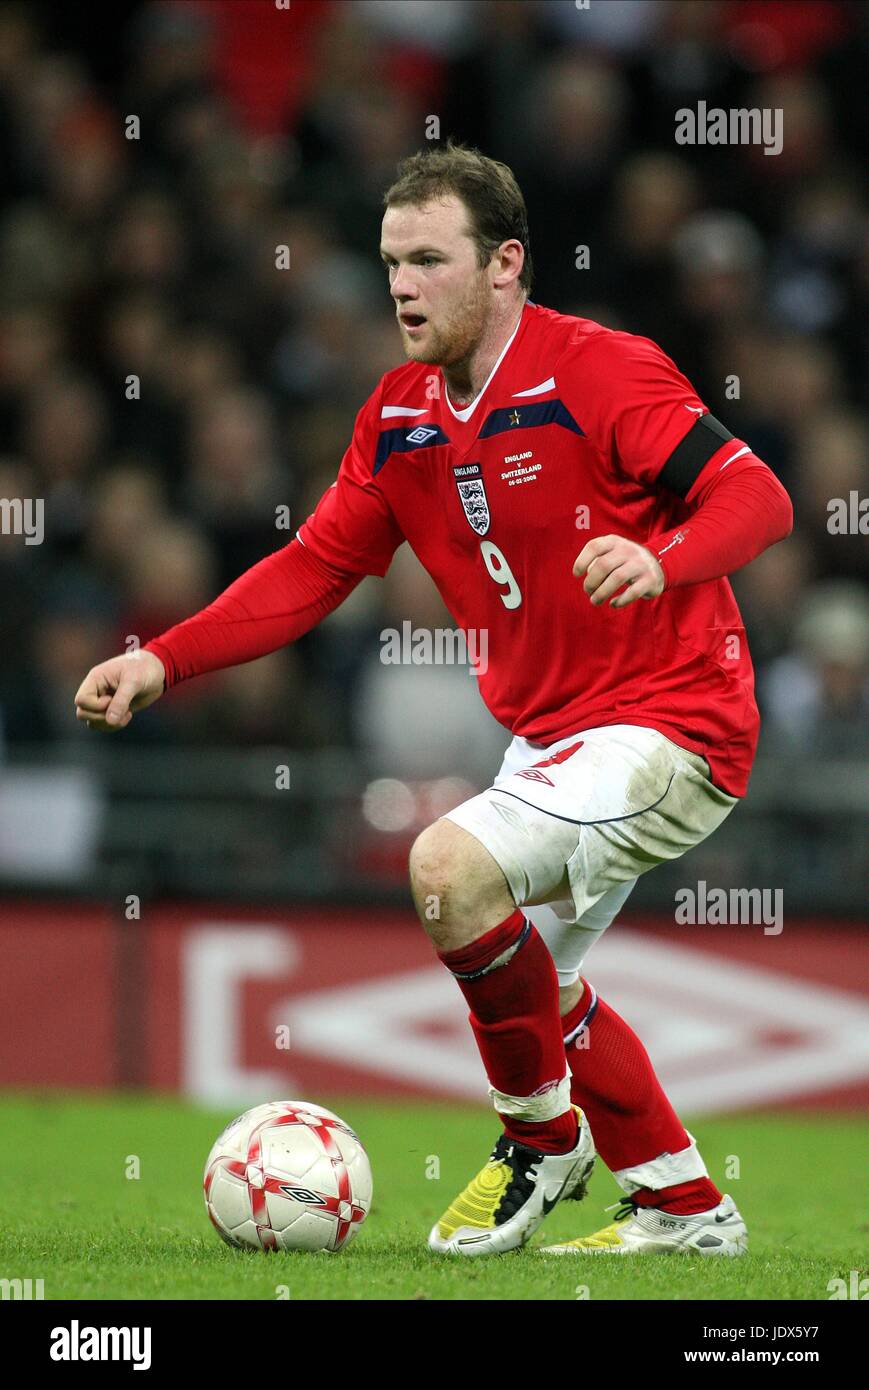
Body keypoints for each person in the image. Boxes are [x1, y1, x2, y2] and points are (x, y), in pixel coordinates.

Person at [74, 142, 792, 1259]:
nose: (401, 285)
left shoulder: (598, 370)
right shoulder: (399, 415)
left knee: (445, 869)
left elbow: (756, 493)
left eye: (427, 259)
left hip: (671, 718)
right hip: (552, 737)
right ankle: (682, 1206)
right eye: (389, 262)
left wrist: (668, 558)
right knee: (537, 979)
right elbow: (312, 568)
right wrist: (162, 659)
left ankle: (536, 1138)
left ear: (505, 264)